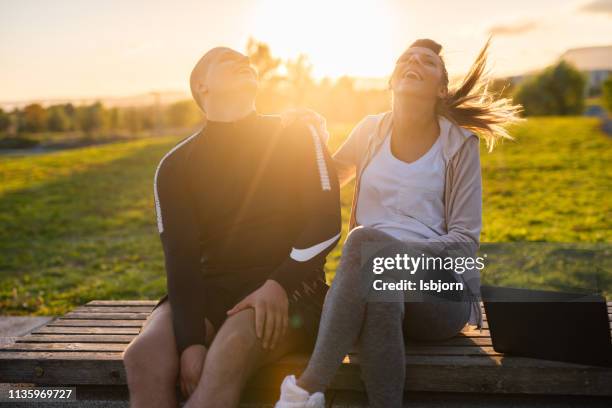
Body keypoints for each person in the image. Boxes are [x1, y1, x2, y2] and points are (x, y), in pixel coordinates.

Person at [275, 38, 523, 408]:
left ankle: (306, 389)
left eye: (427, 62)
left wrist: (393, 252)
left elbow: (465, 244)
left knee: (370, 250)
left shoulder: (458, 145)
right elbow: (326, 178)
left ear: (441, 89)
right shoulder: (370, 130)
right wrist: (314, 134)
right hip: (374, 285)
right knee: (378, 278)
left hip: (440, 294)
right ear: (392, 80)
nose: (414, 62)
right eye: (407, 58)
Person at [121, 46, 341, 408]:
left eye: (247, 63)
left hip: (293, 287)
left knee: (230, 349)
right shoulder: (175, 165)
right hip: (208, 290)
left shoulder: (297, 135)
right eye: (228, 61)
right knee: (143, 358)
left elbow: (326, 223)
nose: (245, 63)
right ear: (201, 86)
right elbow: (181, 259)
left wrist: (279, 283)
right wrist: (190, 340)